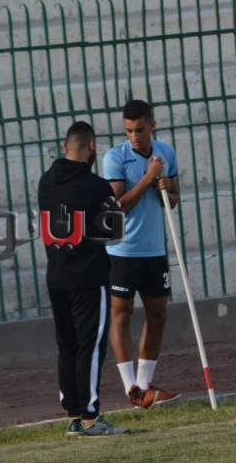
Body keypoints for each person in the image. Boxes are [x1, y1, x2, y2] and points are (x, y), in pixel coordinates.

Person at [38, 120, 129, 436]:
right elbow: (114, 231)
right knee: (90, 346)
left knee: (67, 347)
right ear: (91, 146)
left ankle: (73, 415)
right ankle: (90, 417)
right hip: (88, 277)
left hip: (56, 276)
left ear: (65, 146)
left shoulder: (45, 182)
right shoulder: (97, 186)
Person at [103, 100, 182, 408]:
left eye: (139, 130)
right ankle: (131, 388)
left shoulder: (166, 153)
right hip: (123, 250)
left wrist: (165, 186)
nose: (134, 137)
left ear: (152, 126)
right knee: (121, 314)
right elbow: (119, 205)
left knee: (158, 315)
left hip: (154, 248)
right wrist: (148, 178)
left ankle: (145, 385)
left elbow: (173, 200)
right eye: (128, 131)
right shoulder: (115, 158)